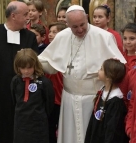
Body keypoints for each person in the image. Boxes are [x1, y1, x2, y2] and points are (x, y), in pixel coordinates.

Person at [38, 5, 126, 143]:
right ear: (67, 24)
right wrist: (32, 62)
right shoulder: (62, 36)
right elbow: (48, 63)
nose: (79, 30)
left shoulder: (104, 37)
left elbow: (118, 68)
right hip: (69, 99)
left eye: (82, 25)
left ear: (87, 18)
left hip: (93, 100)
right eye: (74, 27)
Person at [0, 1, 39, 143]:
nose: (28, 17)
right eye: (25, 14)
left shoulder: (29, 37)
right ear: (13, 16)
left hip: (22, 92)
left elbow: (34, 65)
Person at [11, 48, 54, 143]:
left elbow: (49, 104)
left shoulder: (44, 82)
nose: (26, 71)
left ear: (35, 65)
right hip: (21, 123)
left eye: (29, 67)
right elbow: (14, 100)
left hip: (38, 124)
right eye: (23, 68)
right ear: (17, 67)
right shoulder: (15, 81)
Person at [85, 59, 127, 143]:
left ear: (108, 77)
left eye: (101, 69)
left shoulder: (116, 102)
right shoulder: (102, 92)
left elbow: (112, 131)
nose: (98, 71)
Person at [46, 22, 67, 143]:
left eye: (55, 32)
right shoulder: (48, 49)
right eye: (50, 32)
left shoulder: (67, 50)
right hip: (51, 97)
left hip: (62, 94)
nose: (50, 35)